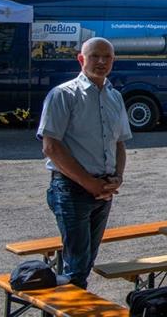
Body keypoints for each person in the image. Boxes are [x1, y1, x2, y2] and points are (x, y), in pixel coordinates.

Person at [36, 37, 131, 288]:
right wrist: (89, 183)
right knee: (76, 268)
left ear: (113, 61)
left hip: (103, 190)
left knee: (85, 262)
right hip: (71, 189)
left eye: (107, 57)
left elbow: (119, 144)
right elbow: (51, 147)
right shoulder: (63, 95)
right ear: (81, 59)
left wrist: (118, 177)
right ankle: (68, 305)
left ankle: (68, 301)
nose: (101, 61)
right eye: (94, 56)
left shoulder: (115, 97)